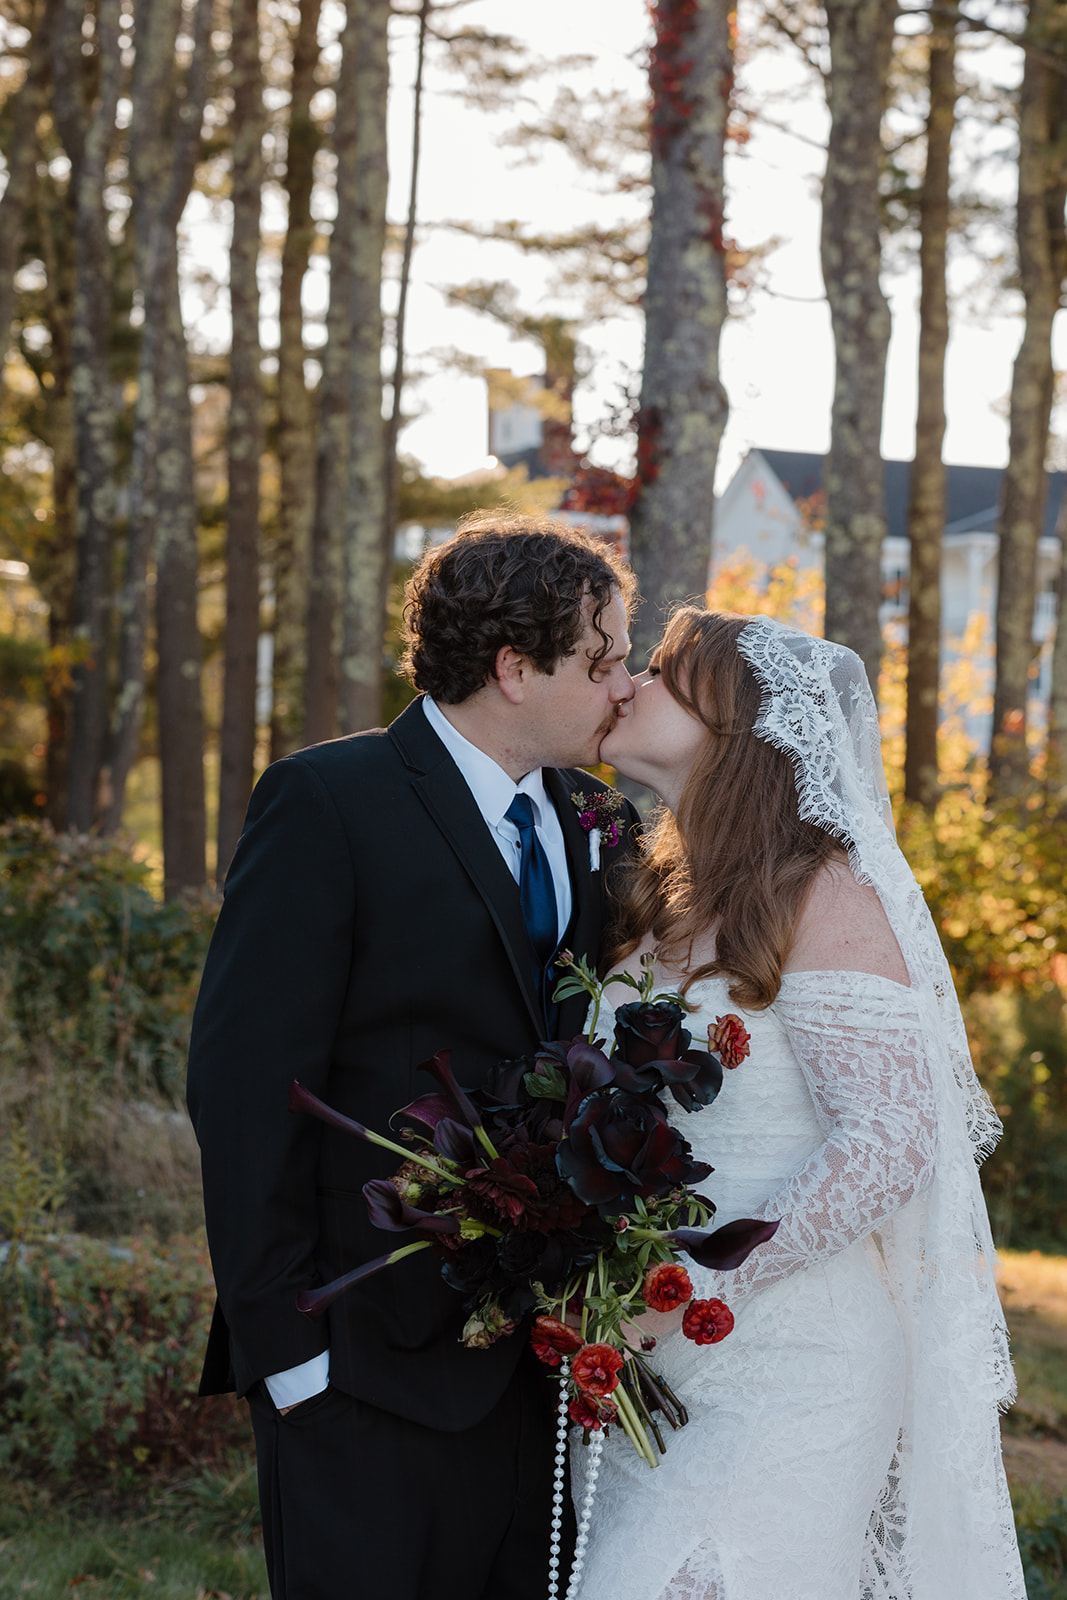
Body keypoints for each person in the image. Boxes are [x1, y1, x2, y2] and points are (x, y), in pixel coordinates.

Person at [185, 513, 639, 1600]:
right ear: (513, 666)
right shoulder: (328, 800)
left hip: (540, 1372)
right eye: (601, 658)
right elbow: (243, 1084)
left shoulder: (598, 820)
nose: (623, 685)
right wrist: (289, 1355)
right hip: (363, 1363)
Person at [571, 607, 1025, 1600]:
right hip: (658, 1359)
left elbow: (890, 1138)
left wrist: (693, 1288)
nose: (626, 682)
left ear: (734, 726)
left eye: (658, 671)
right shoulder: (660, 896)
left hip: (789, 1359)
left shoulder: (820, 892)